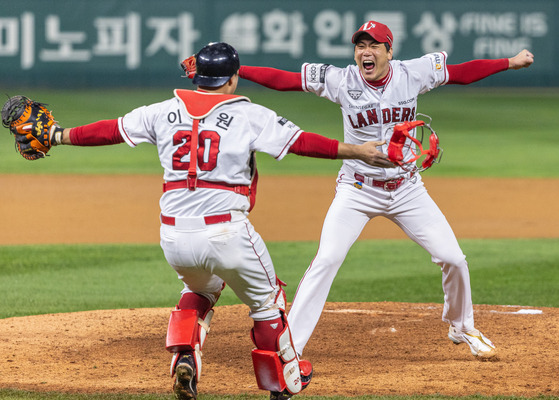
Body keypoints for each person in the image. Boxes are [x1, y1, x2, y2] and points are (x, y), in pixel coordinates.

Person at [34, 42, 388, 400]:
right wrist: (357, 150)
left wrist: (56, 136)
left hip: (173, 235)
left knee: (200, 289)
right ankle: (282, 383)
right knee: (269, 304)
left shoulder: (163, 111)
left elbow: (110, 130)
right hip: (227, 232)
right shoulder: (248, 115)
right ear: (234, 78)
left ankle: (186, 355)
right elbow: (302, 142)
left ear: (198, 77)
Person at [219, 21, 534, 360]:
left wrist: (508, 62)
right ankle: (289, 347)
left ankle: (462, 326)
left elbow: (461, 72)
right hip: (357, 189)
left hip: (407, 189)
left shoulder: (414, 73)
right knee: (326, 259)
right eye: (360, 46)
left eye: (373, 46)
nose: (365, 52)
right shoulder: (342, 80)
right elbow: (287, 80)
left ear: (389, 51)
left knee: (454, 259)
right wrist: (238, 70)